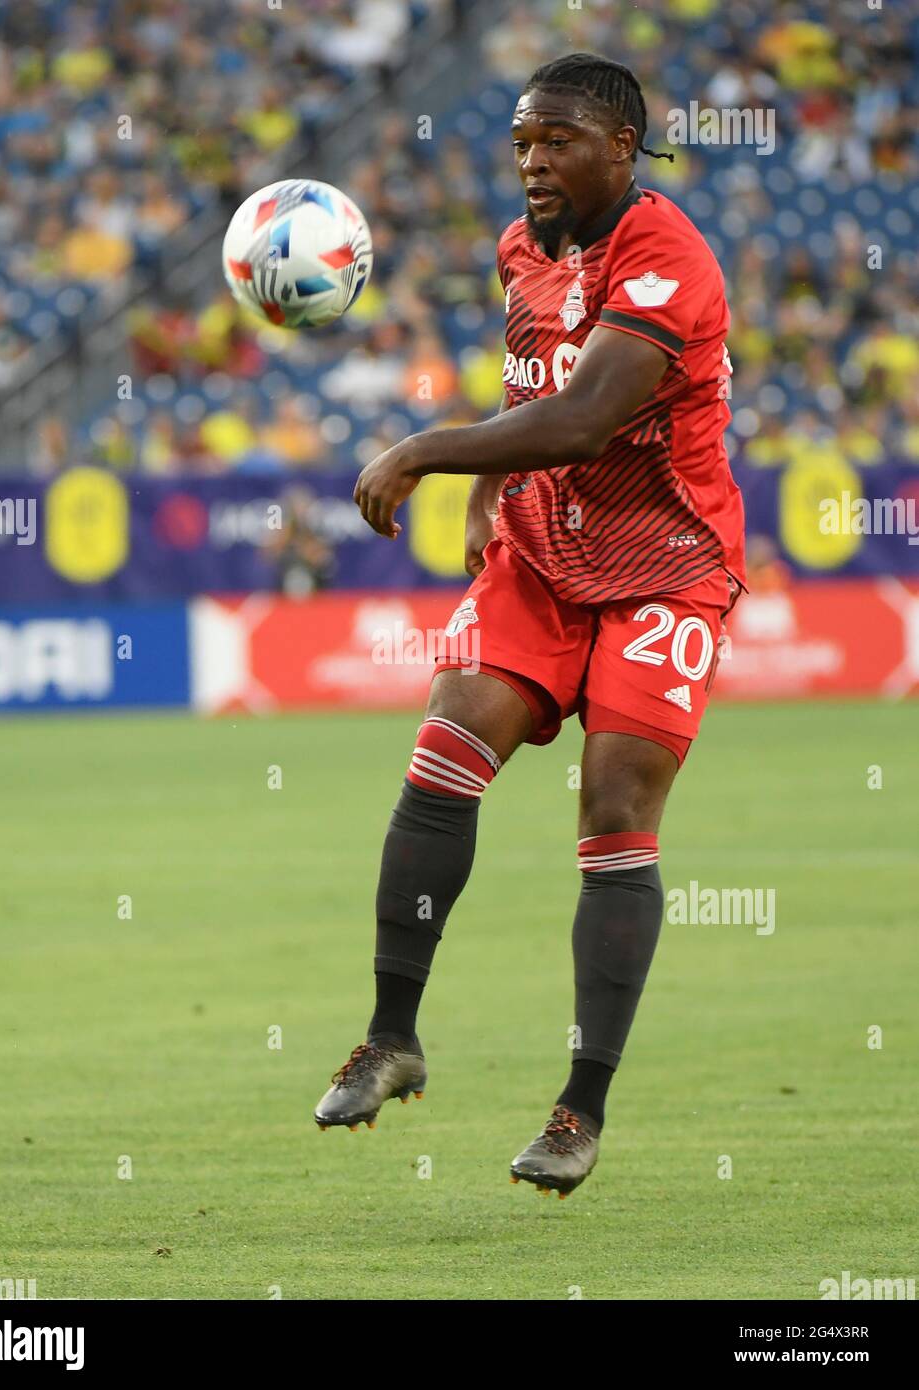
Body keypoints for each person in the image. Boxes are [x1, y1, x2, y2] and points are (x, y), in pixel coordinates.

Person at [314, 53, 746, 1199]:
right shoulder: (522, 250)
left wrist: (418, 452)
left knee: (613, 809)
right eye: (519, 145)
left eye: (554, 142)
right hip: (545, 550)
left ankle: (577, 1108)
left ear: (622, 145)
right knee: (444, 748)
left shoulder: (667, 257)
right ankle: (391, 1034)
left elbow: (587, 415)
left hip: (666, 567)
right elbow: (531, 388)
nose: (532, 163)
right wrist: (479, 494)